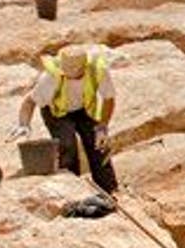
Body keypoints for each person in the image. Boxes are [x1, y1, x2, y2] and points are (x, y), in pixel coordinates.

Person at [8, 45, 118, 193]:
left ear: (84, 67)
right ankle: (74, 190)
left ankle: (109, 189)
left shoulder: (98, 71)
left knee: (98, 144)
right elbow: (30, 100)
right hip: (56, 112)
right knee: (67, 146)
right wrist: (24, 124)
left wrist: (102, 127)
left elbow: (109, 99)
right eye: (66, 71)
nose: (68, 74)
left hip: (84, 108)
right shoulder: (51, 77)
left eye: (74, 71)